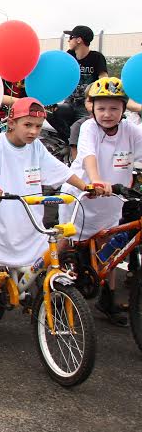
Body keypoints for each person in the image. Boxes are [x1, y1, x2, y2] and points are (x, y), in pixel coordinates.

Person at [0, 98, 92, 352]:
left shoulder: (36, 148)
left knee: (47, 255)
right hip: (0, 219)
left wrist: (87, 187)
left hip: (29, 217)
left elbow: (62, 171)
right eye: (28, 125)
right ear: (11, 123)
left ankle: (40, 301)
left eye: (38, 126)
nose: (34, 131)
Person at [59, 78, 142, 325]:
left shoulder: (130, 130)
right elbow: (89, 157)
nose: (107, 114)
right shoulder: (89, 129)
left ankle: (108, 299)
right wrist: (95, 182)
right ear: (91, 108)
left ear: (124, 109)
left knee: (110, 249)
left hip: (112, 199)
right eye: (102, 108)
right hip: (82, 196)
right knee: (67, 245)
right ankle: (56, 293)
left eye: (114, 108)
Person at [48, 25, 109, 141]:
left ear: (79, 40)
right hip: (70, 103)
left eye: (71, 37)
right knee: (49, 112)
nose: (68, 40)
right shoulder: (69, 56)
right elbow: (58, 77)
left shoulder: (96, 57)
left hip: (86, 105)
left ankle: (76, 145)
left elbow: (103, 78)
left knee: (85, 129)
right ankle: (70, 142)